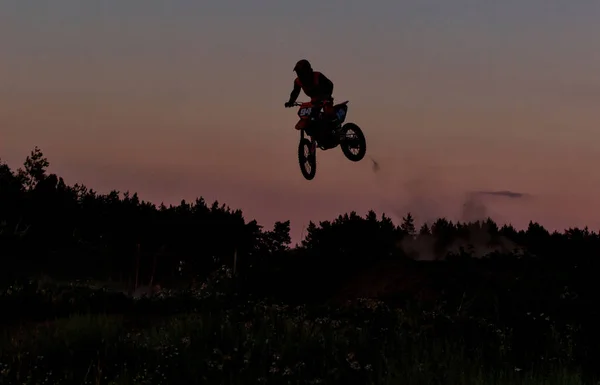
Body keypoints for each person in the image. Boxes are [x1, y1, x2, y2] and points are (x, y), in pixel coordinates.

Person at [284, 59, 336, 130]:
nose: (299, 74)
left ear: (307, 70)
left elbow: (330, 85)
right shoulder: (298, 81)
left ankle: (336, 128)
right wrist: (291, 102)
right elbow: (295, 92)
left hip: (325, 98)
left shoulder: (317, 76)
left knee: (328, 113)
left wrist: (326, 96)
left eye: (301, 72)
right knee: (311, 117)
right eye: (298, 72)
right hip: (314, 101)